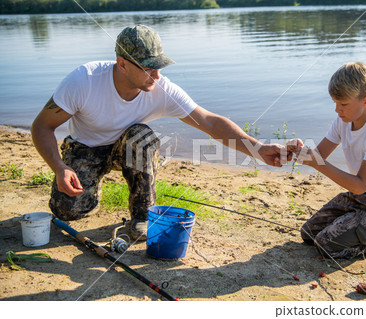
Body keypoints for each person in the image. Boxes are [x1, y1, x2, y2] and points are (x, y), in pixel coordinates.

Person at [31, 25, 286, 241]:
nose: (157, 74)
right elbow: (42, 126)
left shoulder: (160, 87)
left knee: (142, 136)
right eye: (148, 67)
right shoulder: (83, 80)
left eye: (159, 66)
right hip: (85, 148)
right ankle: (92, 185)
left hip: (129, 148)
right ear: (122, 64)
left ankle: (143, 214)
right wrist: (59, 167)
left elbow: (210, 122)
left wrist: (259, 149)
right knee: (67, 212)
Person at [287, 62, 366, 259]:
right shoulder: (342, 122)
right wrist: (298, 149)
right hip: (360, 198)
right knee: (308, 234)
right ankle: (358, 224)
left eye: (343, 104)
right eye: (335, 102)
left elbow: (360, 184)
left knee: (325, 245)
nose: (337, 110)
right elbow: (318, 156)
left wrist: (317, 162)